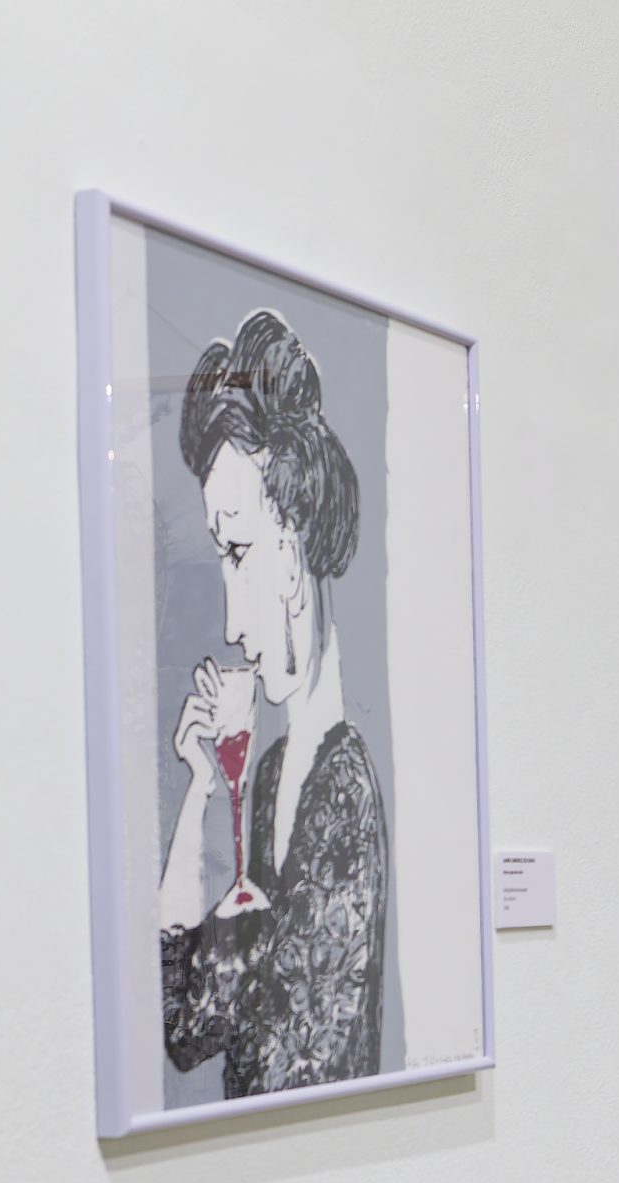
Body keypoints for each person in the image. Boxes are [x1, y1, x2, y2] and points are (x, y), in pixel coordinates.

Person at [156, 311, 389, 1098]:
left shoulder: (343, 796)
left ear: (291, 546)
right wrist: (200, 789)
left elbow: (296, 1067)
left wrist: (235, 934)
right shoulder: (275, 775)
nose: (230, 623)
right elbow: (184, 1024)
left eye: (238, 551)